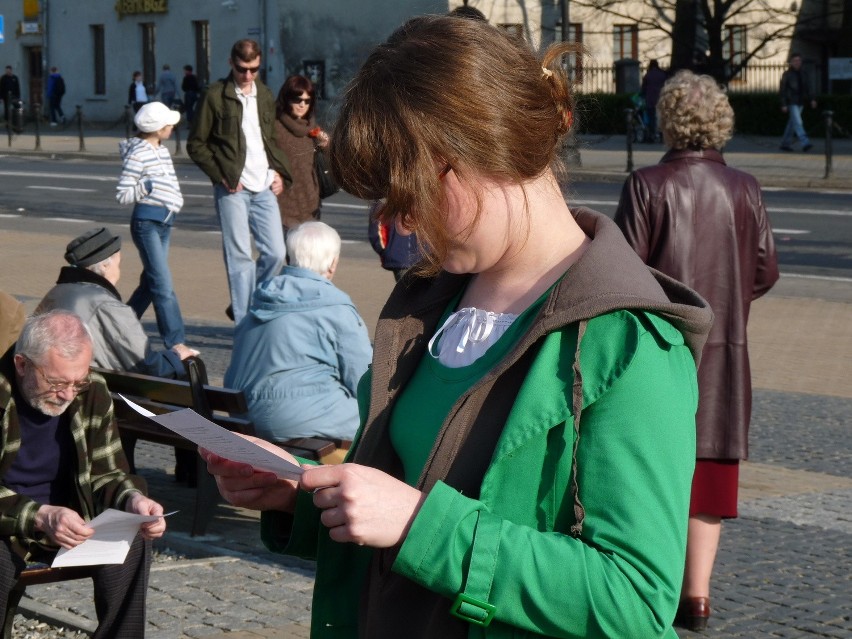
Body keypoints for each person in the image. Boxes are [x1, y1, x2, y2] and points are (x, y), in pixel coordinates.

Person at [202, 16, 713, 638]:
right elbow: (402, 494)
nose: (404, 222)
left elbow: (633, 600)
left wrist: (423, 525)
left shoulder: (628, 344)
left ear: (476, 151)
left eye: (407, 191)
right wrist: (302, 495)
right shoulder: (433, 302)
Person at [614, 69, 779, 632]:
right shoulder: (746, 188)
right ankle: (699, 596)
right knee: (709, 474)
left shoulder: (647, 184)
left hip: (661, 344)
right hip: (725, 351)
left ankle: (653, 585)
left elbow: (622, 270)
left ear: (667, 119)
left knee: (653, 470)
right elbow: (764, 272)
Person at [0, 310, 167, 638]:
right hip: (9, 524)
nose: (67, 394)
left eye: (78, 382)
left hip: (75, 525)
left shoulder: (91, 391)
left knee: (133, 536)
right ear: (22, 365)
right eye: (57, 382)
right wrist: (40, 515)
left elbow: (108, 473)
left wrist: (132, 500)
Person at [225, 221, 372, 446]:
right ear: (333, 263)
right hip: (304, 418)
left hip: (246, 415)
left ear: (289, 257)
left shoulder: (260, 301)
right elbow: (363, 379)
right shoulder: (336, 309)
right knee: (383, 422)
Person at [187, 39, 293, 324]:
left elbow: (268, 141)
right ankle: (246, 322)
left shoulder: (265, 95)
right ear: (231, 63)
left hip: (264, 185)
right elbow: (196, 144)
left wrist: (278, 172)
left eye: (254, 69)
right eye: (242, 69)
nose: (248, 76)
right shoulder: (214, 96)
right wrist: (220, 175)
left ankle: (256, 305)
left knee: (276, 253)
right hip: (232, 188)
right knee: (240, 258)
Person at [36, 227, 196, 377]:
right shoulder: (106, 305)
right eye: (118, 264)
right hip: (96, 391)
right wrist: (176, 356)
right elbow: (147, 365)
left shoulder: (55, 293)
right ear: (105, 265)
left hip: (56, 381)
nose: (119, 271)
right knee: (191, 366)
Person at [116, 101, 193, 355]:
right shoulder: (138, 153)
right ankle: (176, 342)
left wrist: (174, 201)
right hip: (146, 223)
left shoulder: (162, 150)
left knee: (151, 283)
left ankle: (119, 328)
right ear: (158, 128)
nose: (172, 127)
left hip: (165, 222)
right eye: (169, 124)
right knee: (162, 283)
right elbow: (123, 194)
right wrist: (146, 186)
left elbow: (170, 183)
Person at [273, 75, 329, 234]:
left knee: (307, 257)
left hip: (310, 206)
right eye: (297, 100)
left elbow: (327, 161)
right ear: (286, 98)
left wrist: (326, 146)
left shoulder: (312, 128)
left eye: (307, 100)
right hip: (283, 207)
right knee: (283, 256)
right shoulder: (275, 127)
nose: (302, 105)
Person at [368, 200, 421, 281]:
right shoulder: (384, 200)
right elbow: (376, 229)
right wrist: (386, 250)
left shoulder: (384, 198)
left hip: (411, 258)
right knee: (412, 291)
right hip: (403, 258)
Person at [779, 53, 817, 152]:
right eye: (795, 60)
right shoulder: (787, 74)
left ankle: (785, 143)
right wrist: (783, 103)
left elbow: (809, 88)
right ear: (791, 62)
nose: (797, 62)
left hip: (801, 101)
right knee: (798, 122)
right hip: (791, 101)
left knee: (792, 123)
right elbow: (782, 90)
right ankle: (805, 143)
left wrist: (812, 99)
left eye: (799, 60)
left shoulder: (804, 74)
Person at [639, 59, 667, 142]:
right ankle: (662, 136)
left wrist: (642, 96)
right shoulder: (662, 75)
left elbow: (643, 89)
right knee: (661, 118)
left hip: (650, 100)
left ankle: (651, 136)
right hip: (661, 99)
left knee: (651, 119)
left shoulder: (648, 75)